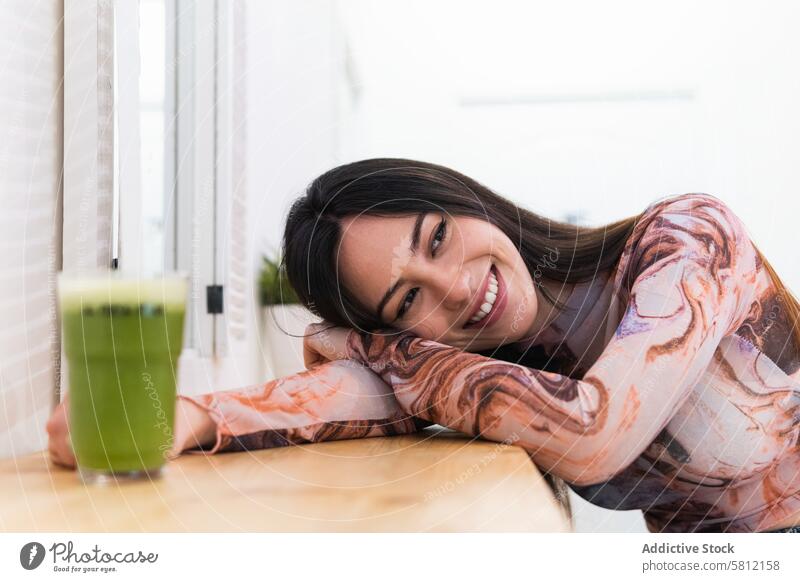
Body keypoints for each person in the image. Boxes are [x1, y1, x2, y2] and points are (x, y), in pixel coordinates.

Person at [47, 158, 800, 533]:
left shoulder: (688, 239)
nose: (455, 288)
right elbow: (365, 395)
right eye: (407, 302)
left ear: (462, 199)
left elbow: (596, 433)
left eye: (436, 237)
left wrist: (391, 350)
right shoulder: (490, 374)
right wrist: (181, 417)